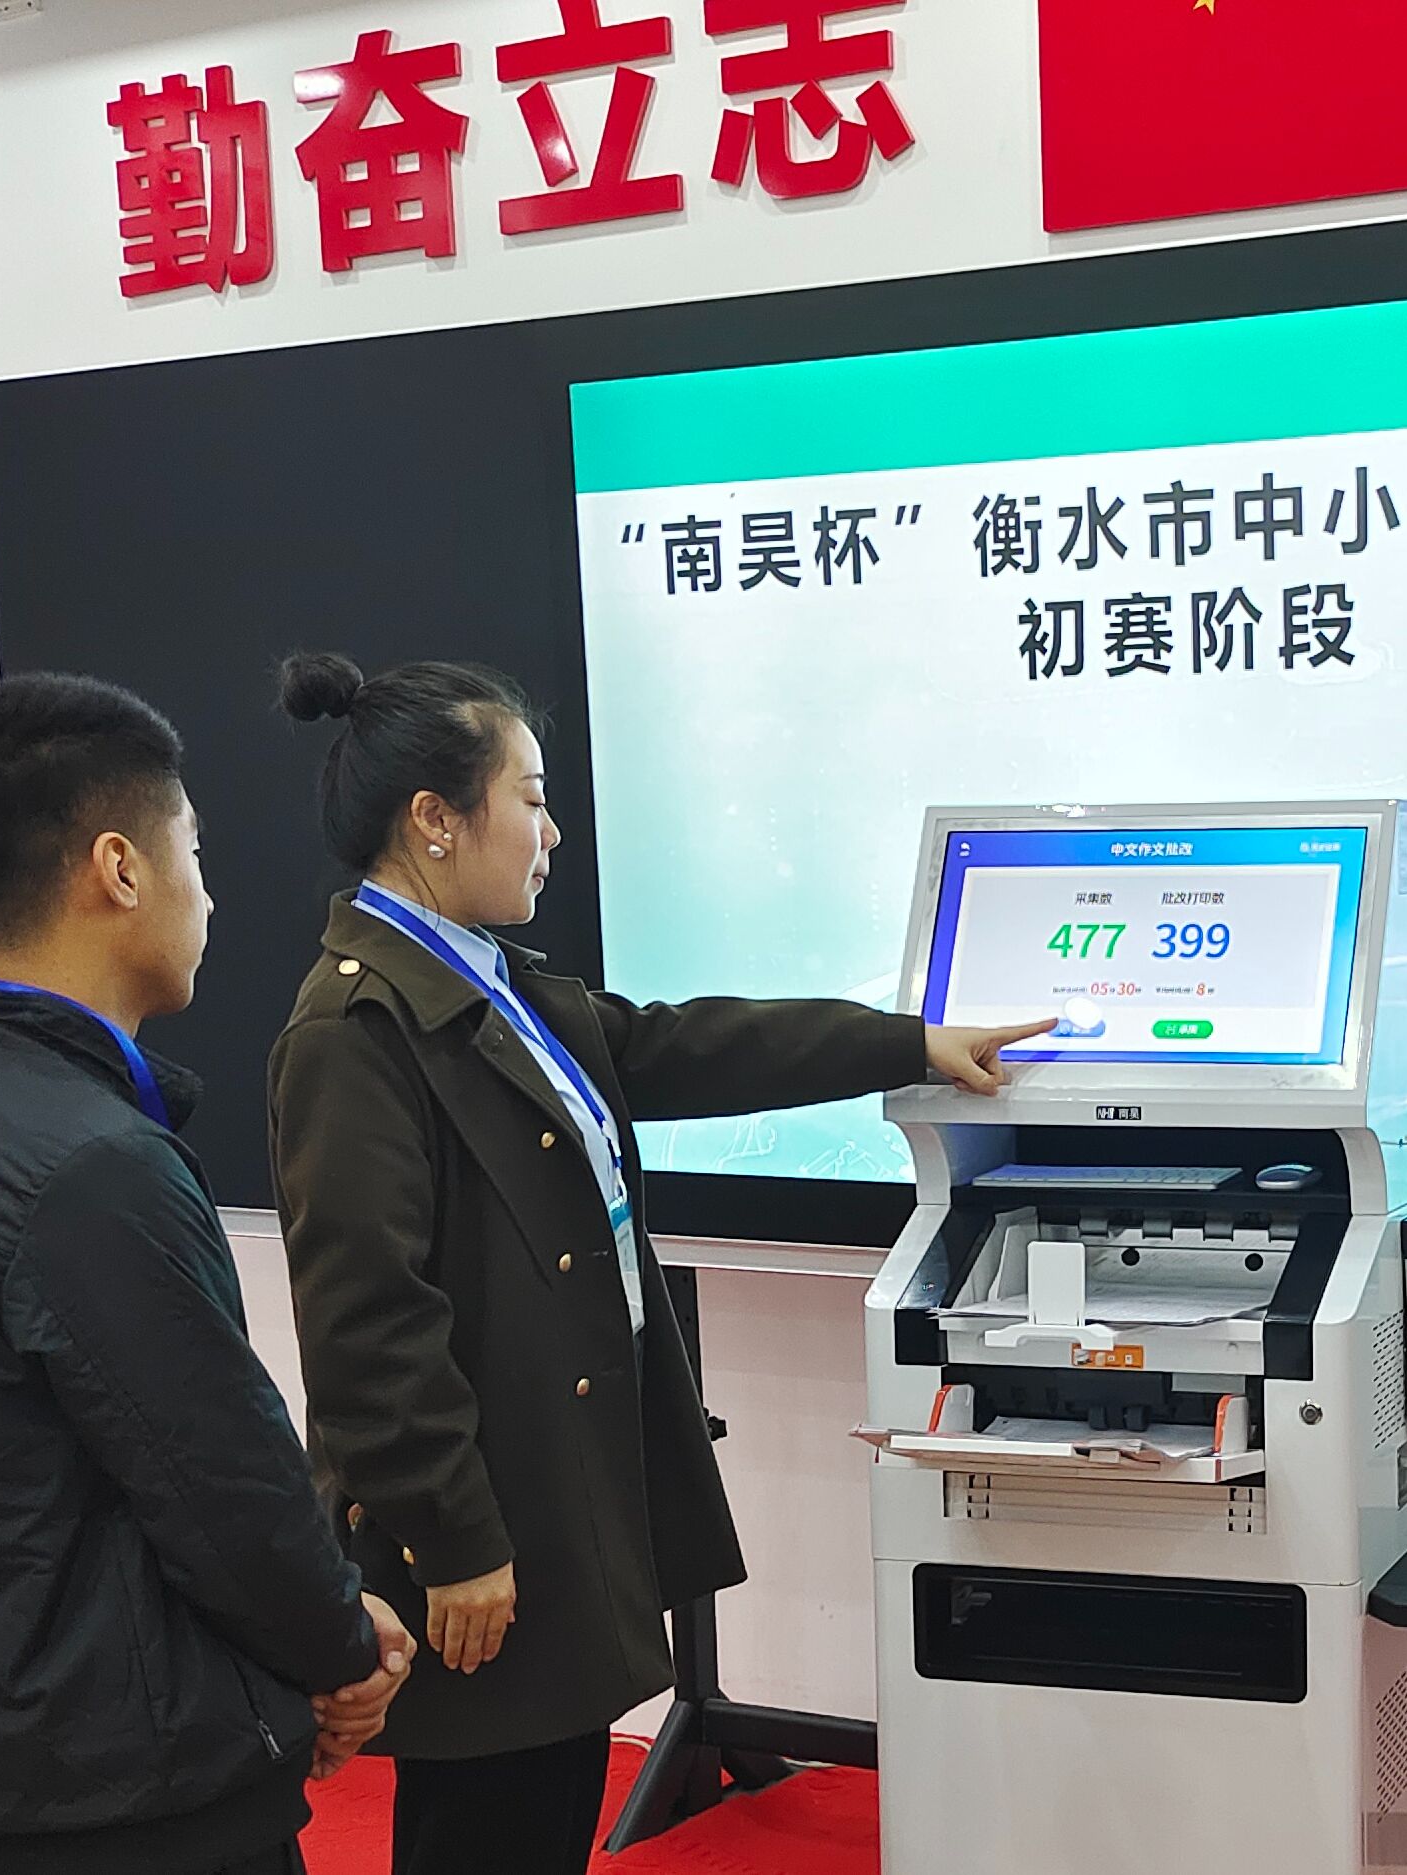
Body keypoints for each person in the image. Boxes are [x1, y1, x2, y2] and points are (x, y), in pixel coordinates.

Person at [264, 653, 1046, 1875]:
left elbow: (686, 1047)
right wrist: (453, 1542)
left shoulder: (487, 981)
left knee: (537, 1813)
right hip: (483, 1531)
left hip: (547, 1501)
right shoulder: (356, 1029)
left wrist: (910, 1043)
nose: (551, 834)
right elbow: (369, 1328)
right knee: (487, 1829)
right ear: (433, 820)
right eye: (529, 799)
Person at [0, 673, 415, 1875]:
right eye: (193, 854)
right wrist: (342, 1647)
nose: (207, 895)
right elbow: (225, 1488)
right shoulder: (93, 1166)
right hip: (134, 1799)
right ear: (118, 868)